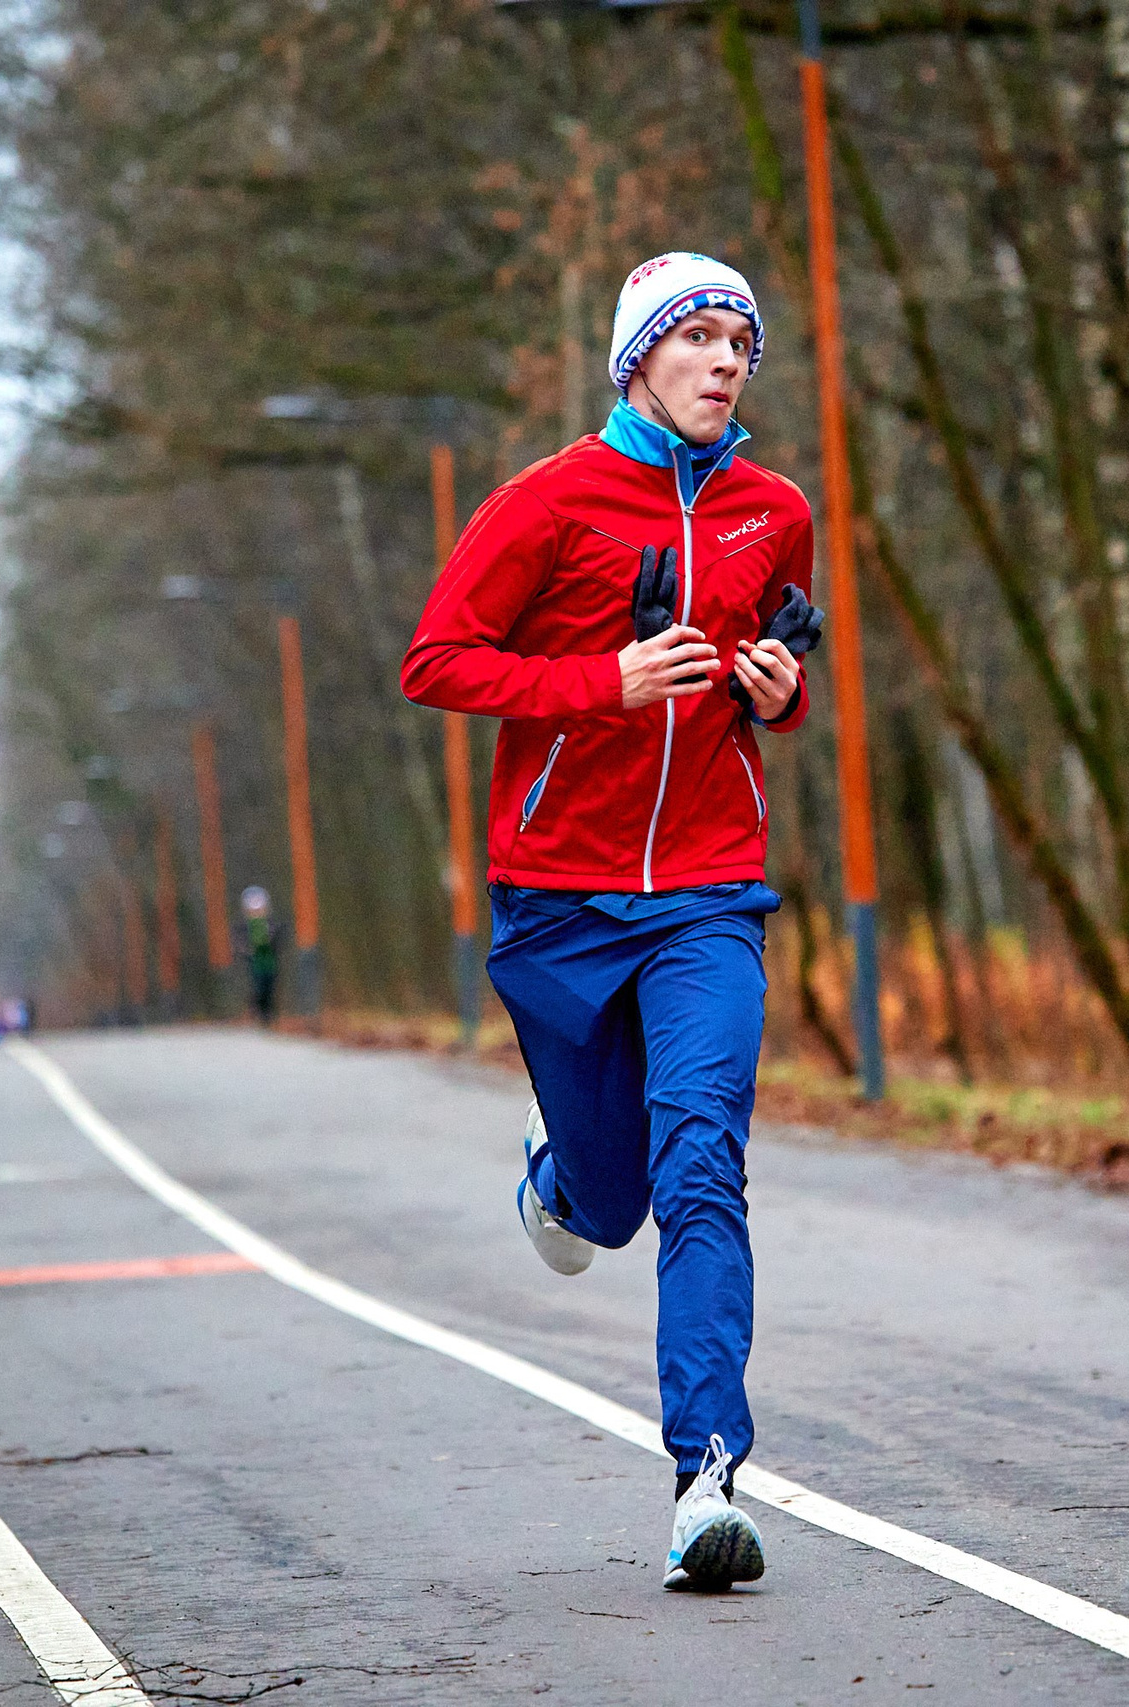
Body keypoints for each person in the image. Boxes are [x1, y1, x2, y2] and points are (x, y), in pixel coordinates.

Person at [402, 252, 823, 1591]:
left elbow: (785, 678)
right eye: (696, 336)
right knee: (616, 1202)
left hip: (709, 889)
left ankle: (707, 1479)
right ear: (637, 356)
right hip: (559, 897)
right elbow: (438, 660)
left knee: (704, 1162)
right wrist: (607, 680)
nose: (722, 362)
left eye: (740, 343)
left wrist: (773, 691)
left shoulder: (776, 511)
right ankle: (560, 1173)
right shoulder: (548, 499)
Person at [240, 885, 282, 1025]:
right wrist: (247, 951)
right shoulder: (244, 926)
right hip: (253, 962)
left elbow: (279, 941)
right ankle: (259, 1012)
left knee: (269, 988)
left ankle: (267, 1015)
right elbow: (239, 943)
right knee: (258, 988)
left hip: (270, 961)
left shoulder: (271, 924)